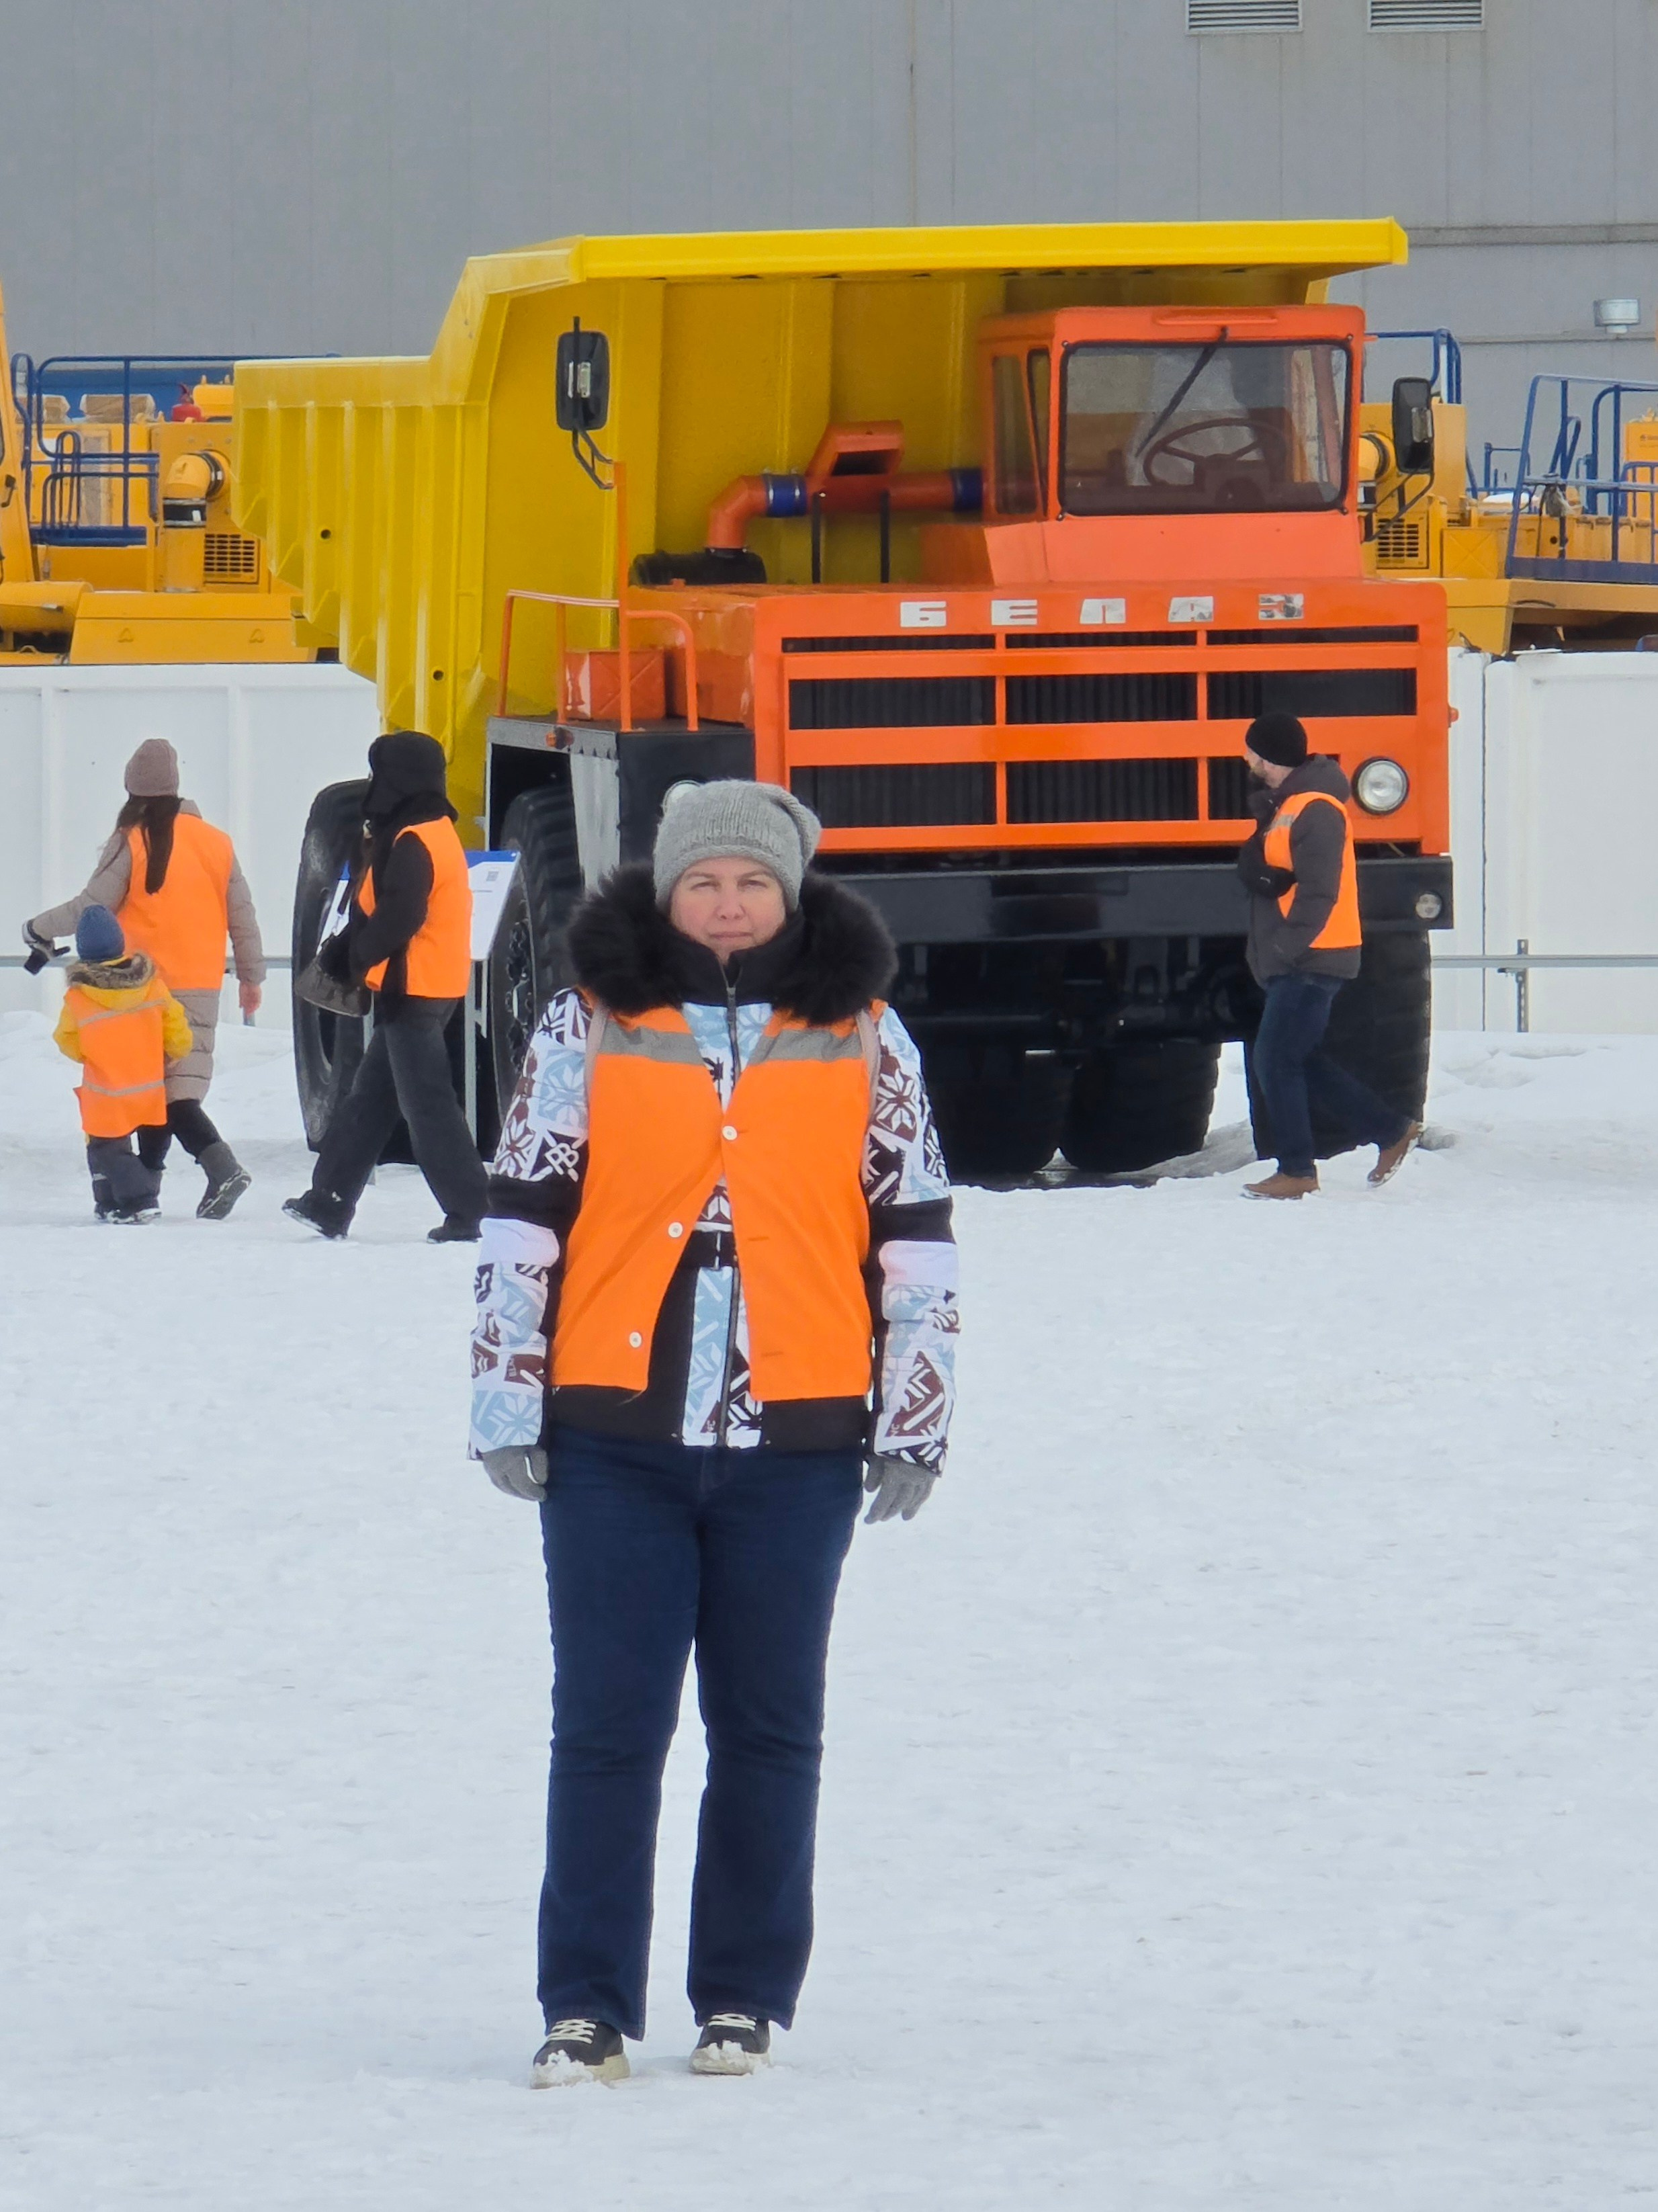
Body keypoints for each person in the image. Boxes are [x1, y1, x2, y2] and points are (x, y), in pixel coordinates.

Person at [469, 779, 959, 2086]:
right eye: (704, 881)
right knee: (610, 1722)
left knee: (769, 1724)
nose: (729, 901)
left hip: (796, 1438)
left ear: (790, 895)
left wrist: (914, 1414)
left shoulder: (868, 1035)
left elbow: (914, 1240)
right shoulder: (588, 1024)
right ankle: (585, 2001)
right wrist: (507, 1396)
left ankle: (741, 1993)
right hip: (612, 1436)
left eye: (752, 881)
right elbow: (522, 1218)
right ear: (667, 891)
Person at [25, 738, 265, 1219]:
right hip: (201, 983)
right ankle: (150, 1187)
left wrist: (36, 928)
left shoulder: (133, 839)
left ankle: (217, 1168)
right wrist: (251, 977)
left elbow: (92, 906)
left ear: (132, 790)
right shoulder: (217, 843)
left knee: (147, 1091)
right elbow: (243, 917)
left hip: (139, 988)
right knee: (170, 1092)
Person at [284, 730, 488, 1243]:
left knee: (429, 1109)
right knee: (371, 1099)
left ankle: (473, 1212)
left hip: (413, 989)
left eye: (380, 774)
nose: (374, 786)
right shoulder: (430, 828)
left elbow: (403, 915)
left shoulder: (413, 839)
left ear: (398, 779)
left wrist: (356, 956)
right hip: (427, 986)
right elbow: (389, 906)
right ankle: (329, 1200)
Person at [1236, 711, 1422, 1200]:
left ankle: (1297, 1168)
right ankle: (1390, 1129)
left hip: (1312, 958)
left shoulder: (1316, 810)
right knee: (1300, 1058)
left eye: (1252, 751)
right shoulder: (1290, 805)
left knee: (1275, 1059)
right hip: (1303, 956)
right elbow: (1278, 872)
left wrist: (1286, 947)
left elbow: (1320, 893)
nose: (1246, 759)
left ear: (1268, 755)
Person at [53, 905, 194, 1224]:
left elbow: (66, 1039)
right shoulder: (152, 986)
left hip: (105, 1093)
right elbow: (177, 1029)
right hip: (148, 1087)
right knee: (142, 1144)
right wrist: (173, 1050)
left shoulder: (78, 997)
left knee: (105, 1149)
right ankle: (110, 1202)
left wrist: (91, 1055)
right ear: (120, 945)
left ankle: (137, 1200)